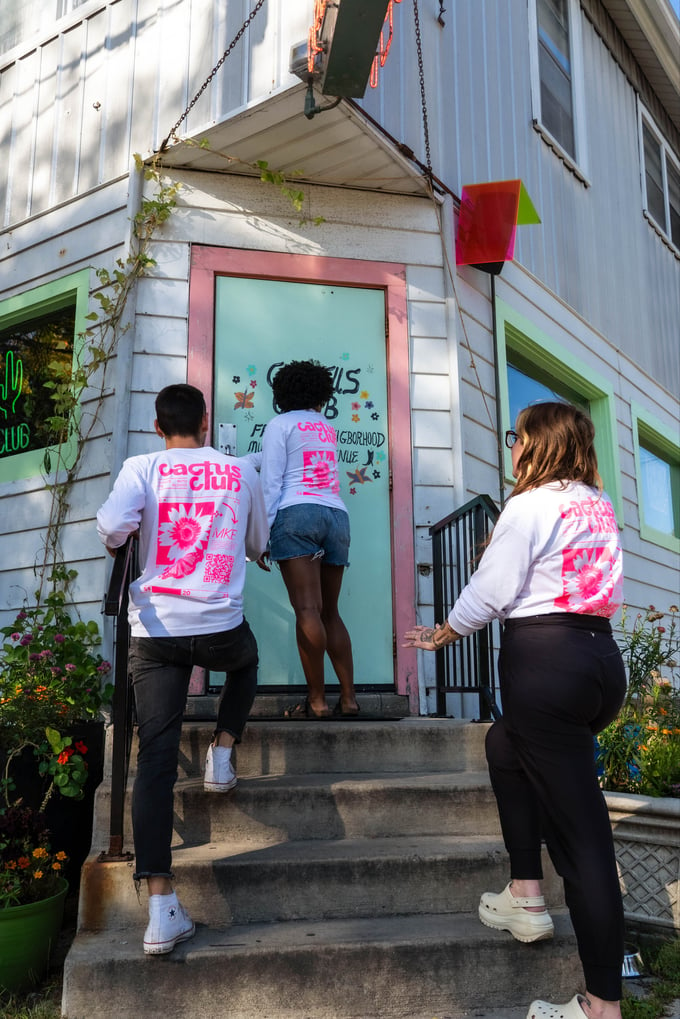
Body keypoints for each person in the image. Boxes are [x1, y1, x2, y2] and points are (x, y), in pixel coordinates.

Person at [403, 402, 626, 1019]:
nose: (511, 447)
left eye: (516, 437)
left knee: (584, 840)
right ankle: (526, 893)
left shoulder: (527, 506)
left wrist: (444, 632)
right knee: (504, 745)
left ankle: (601, 1005)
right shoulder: (597, 504)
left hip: (547, 665)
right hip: (600, 661)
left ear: (535, 445)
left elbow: (495, 591)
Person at [96, 383, 268, 955]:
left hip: (155, 631)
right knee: (248, 666)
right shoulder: (241, 469)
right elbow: (256, 542)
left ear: (156, 424)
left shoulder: (141, 466)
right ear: (206, 421)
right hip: (219, 625)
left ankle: (162, 907)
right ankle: (222, 751)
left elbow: (111, 529)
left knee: (156, 760)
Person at [259, 359, 359, 719]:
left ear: (282, 392)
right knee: (330, 612)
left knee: (306, 610)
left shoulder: (279, 424)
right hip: (336, 517)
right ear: (321, 393)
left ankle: (316, 701)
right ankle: (348, 698)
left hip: (295, 514)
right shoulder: (325, 427)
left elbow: (272, 483)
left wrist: (260, 537)